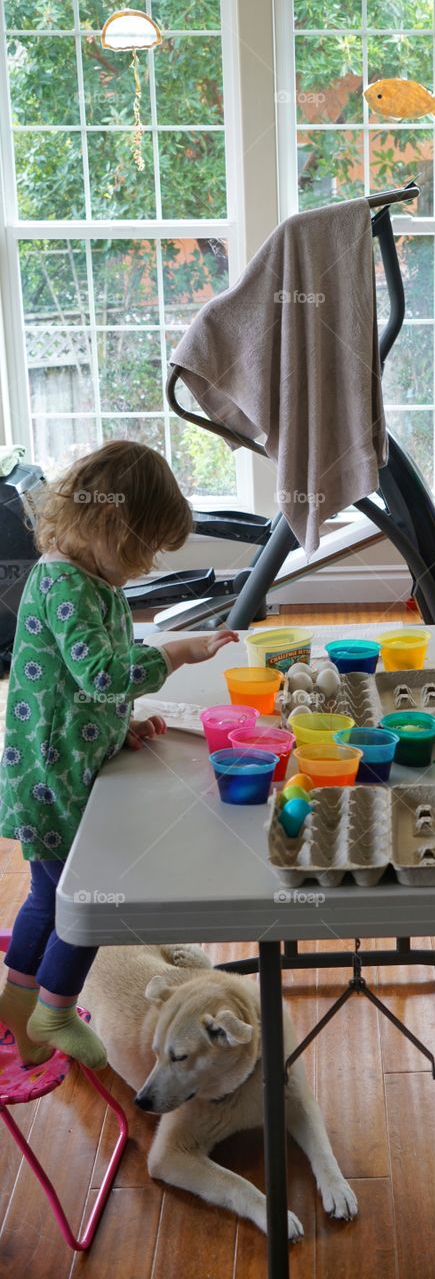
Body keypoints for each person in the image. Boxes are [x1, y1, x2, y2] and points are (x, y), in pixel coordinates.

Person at [0, 441, 238, 1069]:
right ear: (108, 524)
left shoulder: (82, 576)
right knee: (89, 898)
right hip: (56, 778)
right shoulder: (67, 587)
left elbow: (70, 683)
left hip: (57, 763)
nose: (145, 565)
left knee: (48, 896)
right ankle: (52, 1012)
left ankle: (18, 1002)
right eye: (143, 549)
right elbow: (100, 674)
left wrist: (116, 724)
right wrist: (177, 652)